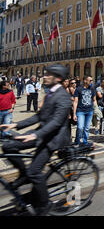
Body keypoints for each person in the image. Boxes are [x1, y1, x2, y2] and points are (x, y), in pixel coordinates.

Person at [0, 64, 72, 215]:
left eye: (48, 74)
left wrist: (34, 135)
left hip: (53, 139)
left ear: (57, 78)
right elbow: (39, 116)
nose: (44, 76)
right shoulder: (49, 94)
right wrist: (16, 124)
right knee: (8, 146)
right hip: (41, 133)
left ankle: (44, 205)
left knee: (34, 171)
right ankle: (23, 175)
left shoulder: (64, 97)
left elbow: (56, 122)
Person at [73, 75, 96, 145]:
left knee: (87, 128)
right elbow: (75, 101)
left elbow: (94, 100)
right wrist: (74, 113)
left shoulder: (92, 89)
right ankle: (77, 140)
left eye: (92, 80)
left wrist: (95, 110)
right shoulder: (78, 89)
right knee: (80, 127)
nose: (91, 82)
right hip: (80, 111)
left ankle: (85, 141)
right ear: (85, 81)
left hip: (89, 111)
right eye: (90, 80)